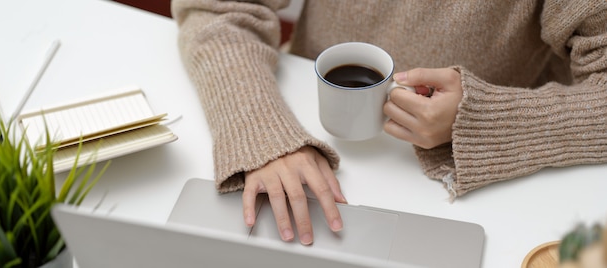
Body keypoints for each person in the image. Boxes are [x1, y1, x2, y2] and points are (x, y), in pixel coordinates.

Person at [171, 0, 607, 246]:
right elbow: (217, 10)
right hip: (303, 140)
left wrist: (486, 118)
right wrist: (261, 129)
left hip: (477, 195)